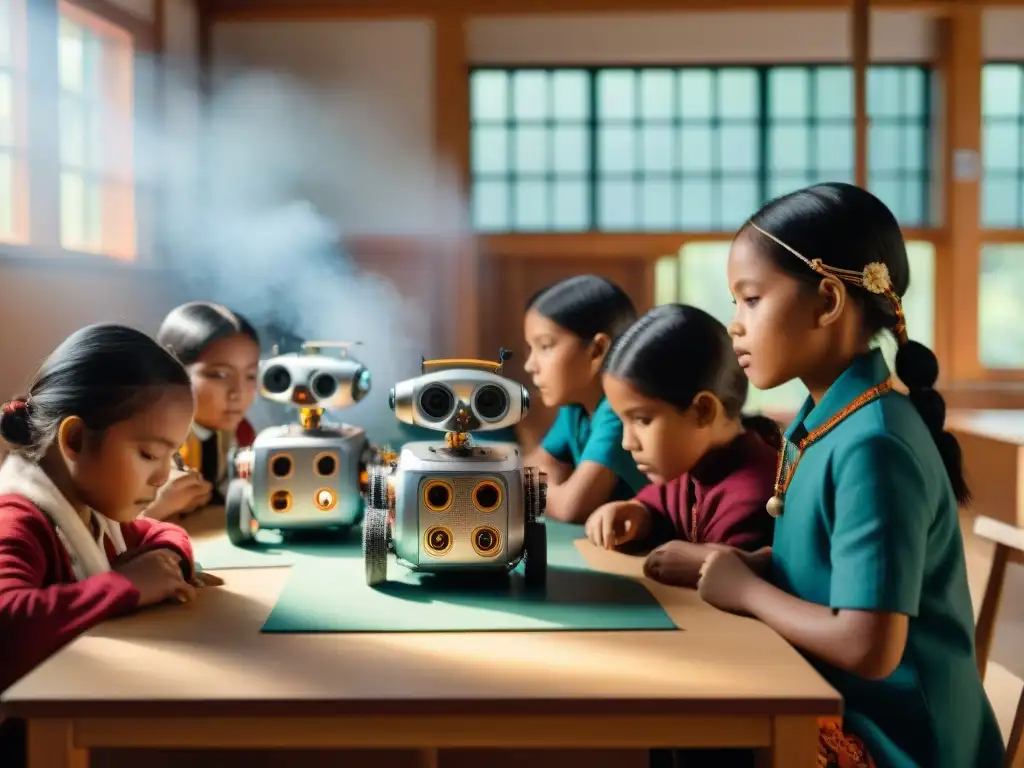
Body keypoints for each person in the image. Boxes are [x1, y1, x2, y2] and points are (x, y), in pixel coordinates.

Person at [695, 182, 1004, 767]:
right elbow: (824, 570)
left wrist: (749, 591)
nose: (734, 324)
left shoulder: (875, 443)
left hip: (900, 741)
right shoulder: (829, 420)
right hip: (849, 705)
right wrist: (734, 565)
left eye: (751, 299)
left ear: (828, 301)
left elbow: (869, 647)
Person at [0, 324, 218, 761]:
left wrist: (167, 559)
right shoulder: (18, 518)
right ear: (75, 440)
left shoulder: (91, 510)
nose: (161, 477)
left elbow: (162, 532)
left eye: (171, 456)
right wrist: (128, 586)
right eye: (149, 455)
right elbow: (8, 624)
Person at [583, 304, 779, 588]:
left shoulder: (753, 496)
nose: (627, 442)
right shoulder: (692, 467)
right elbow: (662, 503)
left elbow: (746, 580)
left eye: (642, 419)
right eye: (622, 421)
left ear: (702, 411)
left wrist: (702, 563)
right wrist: (639, 513)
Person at [523, 275, 650, 523]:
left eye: (546, 346)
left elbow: (571, 506)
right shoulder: (576, 407)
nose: (530, 365)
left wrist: (526, 481)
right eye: (531, 348)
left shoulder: (619, 413)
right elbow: (538, 462)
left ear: (596, 351)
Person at [147, 301, 260, 518]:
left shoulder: (241, 433)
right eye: (219, 375)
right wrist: (156, 507)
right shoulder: (147, 438)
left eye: (250, 376)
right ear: (173, 372)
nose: (238, 393)